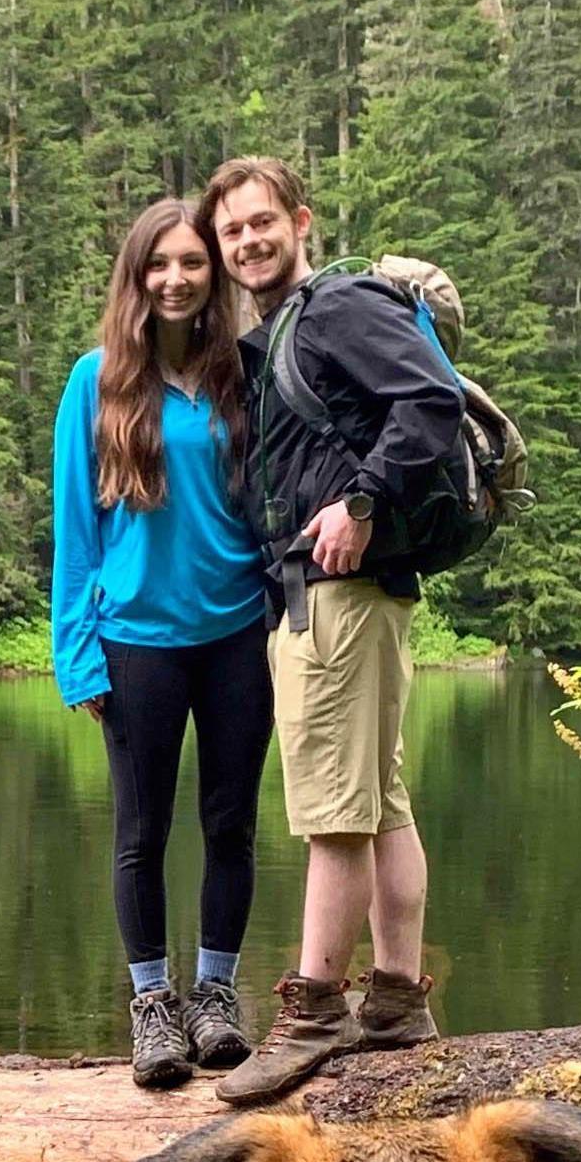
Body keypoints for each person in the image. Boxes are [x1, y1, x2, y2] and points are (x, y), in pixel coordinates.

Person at [198, 154, 464, 1106]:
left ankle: (314, 1012)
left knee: (332, 812)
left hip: (338, 592)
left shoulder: (338, 308)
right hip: (347, 595)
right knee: (381, 799)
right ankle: (395, 999)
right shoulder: (283, 334)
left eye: (262, 222)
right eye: (232, 232)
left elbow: (431, 402)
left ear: (299, 220)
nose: (248, 242)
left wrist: (360, 500)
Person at [51, 198, 276, 1090]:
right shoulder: (96, 379)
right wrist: (77, 650)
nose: (177, 280)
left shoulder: (241, 375)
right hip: (134, 638)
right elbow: (74, 524)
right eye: (160, 265)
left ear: (213, 277)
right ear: (137, 276)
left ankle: (215, 995)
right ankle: (153, 1005)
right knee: (140, 832)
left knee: (231, 825)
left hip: (237, 634)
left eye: (193, 264)